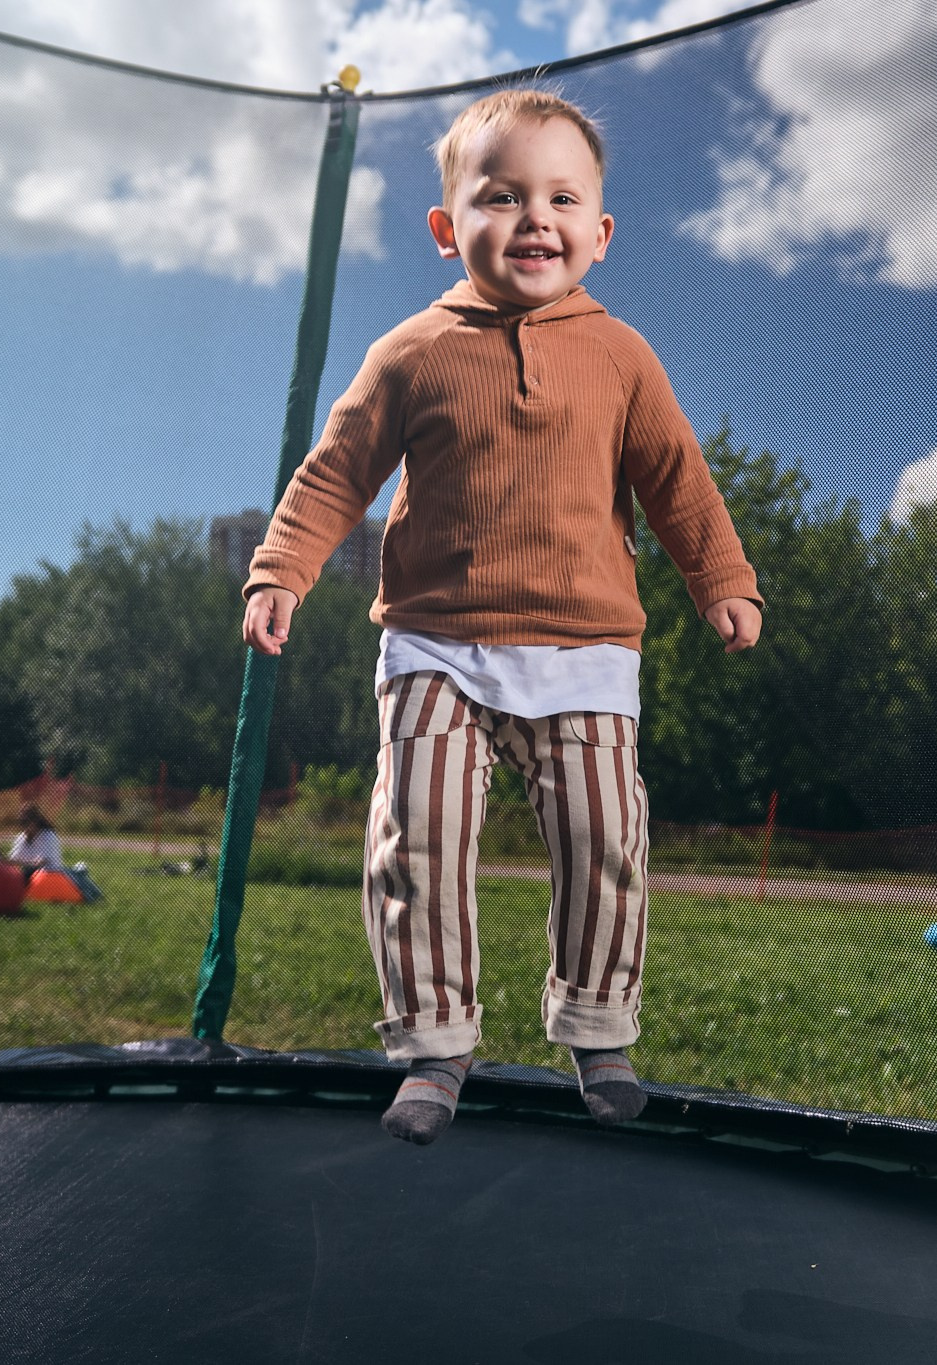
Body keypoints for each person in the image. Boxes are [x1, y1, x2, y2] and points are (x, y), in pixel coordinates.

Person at [240, 89, 762, 1146]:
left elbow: (679, 484)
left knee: (604, 838)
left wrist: (720, 580)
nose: (535, 218)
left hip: (582, 651)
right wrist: (280, 571)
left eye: (561, 199)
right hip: (435, 645)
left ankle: (598, 1026)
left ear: (598, 235)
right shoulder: (411, 353)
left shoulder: (621, 357)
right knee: (416, 840)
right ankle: (434, 1049)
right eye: (501, 196)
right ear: (448, 229)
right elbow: (336, 474)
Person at [8, 802, 66, 873]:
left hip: (49, 877)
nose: (23, 827)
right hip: (29, 875)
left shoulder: (48, 836)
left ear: (35, 822)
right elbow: (12, 860)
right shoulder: (21, 837)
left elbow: (40, 863)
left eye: (25, 822)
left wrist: (20, 862)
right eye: (20, 822)